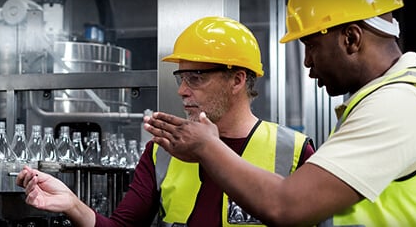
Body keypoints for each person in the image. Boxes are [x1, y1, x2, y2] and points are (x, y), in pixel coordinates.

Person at [143, 0, 416, 226]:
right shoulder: (386, 100)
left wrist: (206, 146)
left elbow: (286, 206)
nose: (308, 64)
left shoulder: (400, 104)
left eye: (311, 46)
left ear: (351, 38)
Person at [16, 16, 316, 226]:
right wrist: (72, 204)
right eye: (181, 78)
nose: (182, 90)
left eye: (196, 78)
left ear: (237, 80)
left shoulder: (293, 151)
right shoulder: (162, 152)